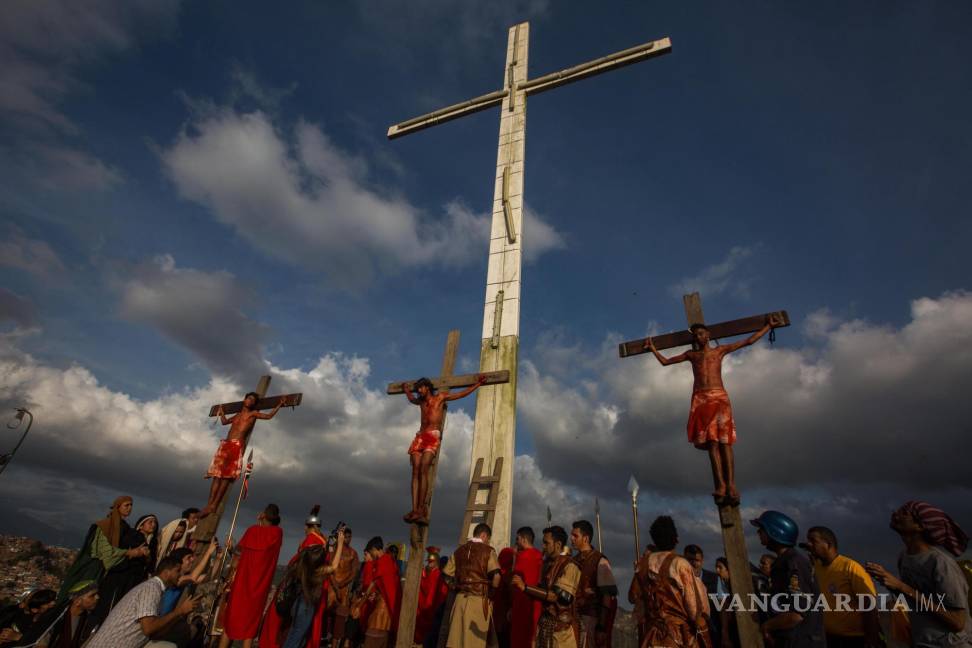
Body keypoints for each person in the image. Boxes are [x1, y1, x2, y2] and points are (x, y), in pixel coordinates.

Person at [644, 315, 780, 504]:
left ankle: (731, 484)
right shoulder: (692, 355)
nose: (698, 337)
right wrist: (652, 348)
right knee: (712, 444)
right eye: (696, 335)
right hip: (701, 399)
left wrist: (767, 327)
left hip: (719, 396)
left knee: (725, 443)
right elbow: (666, 362)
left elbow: (748, 341)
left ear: (708, 335)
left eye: (701, 333)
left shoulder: (719, 351)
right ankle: (721, 485)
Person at [865, 500, 971, 647]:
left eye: (905, 513)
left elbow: (958, 622)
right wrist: (890, 584)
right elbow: (915, 600)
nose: (895, 515)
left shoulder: (941, 562)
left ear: (920, 526)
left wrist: (901, 587)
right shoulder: (904, 557)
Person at [401, 375, 486, 524]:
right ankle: (414, 509)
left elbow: (460, 395)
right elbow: (411, 399)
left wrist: (477, 385)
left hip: (433, 435)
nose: (419, 391)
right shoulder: (420, 402)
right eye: (417, 389)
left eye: (421, 387)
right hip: (420, 435)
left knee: (424, 468)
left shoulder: (439, 398)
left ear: (427, 387)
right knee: (415, 470)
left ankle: (421, 508)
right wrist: (406, 390)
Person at [84, 555, 199, 648]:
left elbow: (154, 633)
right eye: (177, 571)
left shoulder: (157, 590)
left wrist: (180, 614)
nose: (180, 574)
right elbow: (149, 628)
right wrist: (178, 612)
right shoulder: (151, 588)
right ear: (166, 572)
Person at [204, 393, 286, 517]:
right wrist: (221, 412)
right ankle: (209, 504)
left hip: (236, 445)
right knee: (216, 476)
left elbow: (268, 416)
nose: (250, 401)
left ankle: (214, 505)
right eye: (249, 398)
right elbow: (225, 422)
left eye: (253, 400)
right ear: (244, 400)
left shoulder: (253, 414)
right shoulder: (237, 415)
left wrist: (279, 405)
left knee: (226, 477)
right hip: (225, 444)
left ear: (254, 403)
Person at [750, 510, 825, 648]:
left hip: (802, 642)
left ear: (774, 532)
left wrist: (767, 626)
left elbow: (796, 614)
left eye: (762, 529)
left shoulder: (793, 563)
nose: (758, 533)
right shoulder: (783, 562)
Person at [266, 524, 346, 648]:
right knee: (296, 639)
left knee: (296, 636)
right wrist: (340, 543)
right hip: (306, 607)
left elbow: (311, 551)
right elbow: (334, 566)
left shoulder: (302, 566)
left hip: (297, 604)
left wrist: (330, 546)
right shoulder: (317, 571)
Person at [801, 526, 881, 648]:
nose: (809, 544)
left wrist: (872, 641)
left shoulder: (850, 567)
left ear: (828, 544)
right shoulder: (817, 568)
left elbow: (869, 606)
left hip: (854, 640)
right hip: (828, 638)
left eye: (813, 541)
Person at [217, 504, 284, 648]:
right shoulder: (278, 533)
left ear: (264, 515)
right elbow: (267, 534)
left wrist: (259, 522)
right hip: (259, 587)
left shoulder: (252, 531)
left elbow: (238, 555)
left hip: (242, 583)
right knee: (251, 626)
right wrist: (262, 521)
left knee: (230, 623)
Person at [57, 496, 149, 600]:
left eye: (131, 505)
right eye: (126, 505)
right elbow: (105, 550)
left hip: (108, 570)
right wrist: (130, 552)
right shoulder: (105, 525)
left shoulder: (124, 527)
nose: (129, 508)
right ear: (118, 507)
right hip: (94, 567)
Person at [639, 516, 710, 648]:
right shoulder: (680, 564)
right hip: (678, 638)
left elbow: (634, 597)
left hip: (652, 637)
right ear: (676, 539)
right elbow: (693, 610)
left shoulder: (642, 564)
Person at [512, 526, 581, 648]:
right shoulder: (546, 565)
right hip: (544, 626)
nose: (543, 546)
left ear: (558, 544)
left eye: (546, 543)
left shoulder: (570, 566)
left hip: (561, 631)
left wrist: (525, 587)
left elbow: (556, 596)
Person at [443, 523, 502, 648]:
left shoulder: (458, 551)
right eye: (488, 539)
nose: (488, 542)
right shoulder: (488, 551)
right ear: (484, 535)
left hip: (459, 600)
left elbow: (446, 574)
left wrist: (455, 586)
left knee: (456, 641)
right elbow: (496, 577)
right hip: (478, 602)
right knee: (474, 642)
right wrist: (491, 595)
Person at [94, 514, 159, 623]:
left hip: (135, 579)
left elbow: (150, 564)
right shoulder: (133, 536)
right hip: (121, 576)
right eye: (150, 522)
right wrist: (135, 553)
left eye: (155, 523)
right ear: (141, 526)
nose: (153, 525)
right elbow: (123, 553)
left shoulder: (152, 542)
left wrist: (147, 556)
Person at [154, 541, 218, 648]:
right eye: (189, 558)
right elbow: (194, 577)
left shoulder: (184, 578)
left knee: (191, 630)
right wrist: (208, 552)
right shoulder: (175, 580)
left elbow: (208, 577)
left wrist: (219, 558)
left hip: (167, 621)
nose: (192, 560)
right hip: (158, 621)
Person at [570, 520, 618, 648]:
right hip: (573, 619)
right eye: (571, 535)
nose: (571, 539)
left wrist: (601, 627)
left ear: (585, 538)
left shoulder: (600, 560)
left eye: (575, 536)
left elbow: (607, 595)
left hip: (590, 620)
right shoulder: (572, 561)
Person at [18, 581, 100, 648]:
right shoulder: (53, 618)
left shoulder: (90, 622)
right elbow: (40, 642)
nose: (97, 597)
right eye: (92, 596)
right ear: (77, 601)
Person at [358, 537, 401, 648]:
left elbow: (373, 584)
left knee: (371, 640)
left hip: (383, 608)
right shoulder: (388, 561)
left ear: (374, 549)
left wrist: (359, 605)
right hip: (385, 604)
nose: (371, 555)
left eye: (371, 551)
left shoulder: (383, 562)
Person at [510, 527, 544, 648]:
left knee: (520, 639)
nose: (516, 541)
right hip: (535, 602)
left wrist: (514, 557)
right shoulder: (539, 556)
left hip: (522, 602)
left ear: (524, 539)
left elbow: (513, 578)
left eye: (517, 538)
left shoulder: (522, 556)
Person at [328, 527, 361, 648]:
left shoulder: (353, 553)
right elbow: (329, 568)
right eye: (346, 536)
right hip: (331, 588)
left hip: (344, 591)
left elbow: (354, 573)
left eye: (350, 537)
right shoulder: (334, 550)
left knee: (340, 621)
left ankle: (334, 644)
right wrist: (335, 586)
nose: (348, 539)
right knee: (326, 616)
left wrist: (341, 585)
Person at [684, 545, 718, 647]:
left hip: (711, 629)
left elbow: (723, 605)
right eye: (690, 560)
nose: (694, 563)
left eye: (697, 560)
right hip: (688, 631)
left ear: (702, 560)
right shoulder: (679, 579)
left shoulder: (714, 579)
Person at [415, 547, 449, 646]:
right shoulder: (432, 573)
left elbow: (429, 589)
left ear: (436, 562)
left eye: (431, 562)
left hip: (433, 605)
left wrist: (423, 575)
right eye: (429, 561)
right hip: (429, 603)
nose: (429, 563)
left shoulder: (436, 574)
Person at [628, 545, 655, 646]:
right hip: (644, 622)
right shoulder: (641, 576)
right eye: (643, 556)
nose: (641, 559)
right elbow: (632, 597)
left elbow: (633, 596)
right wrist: (637, 573)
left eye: (645, 556)